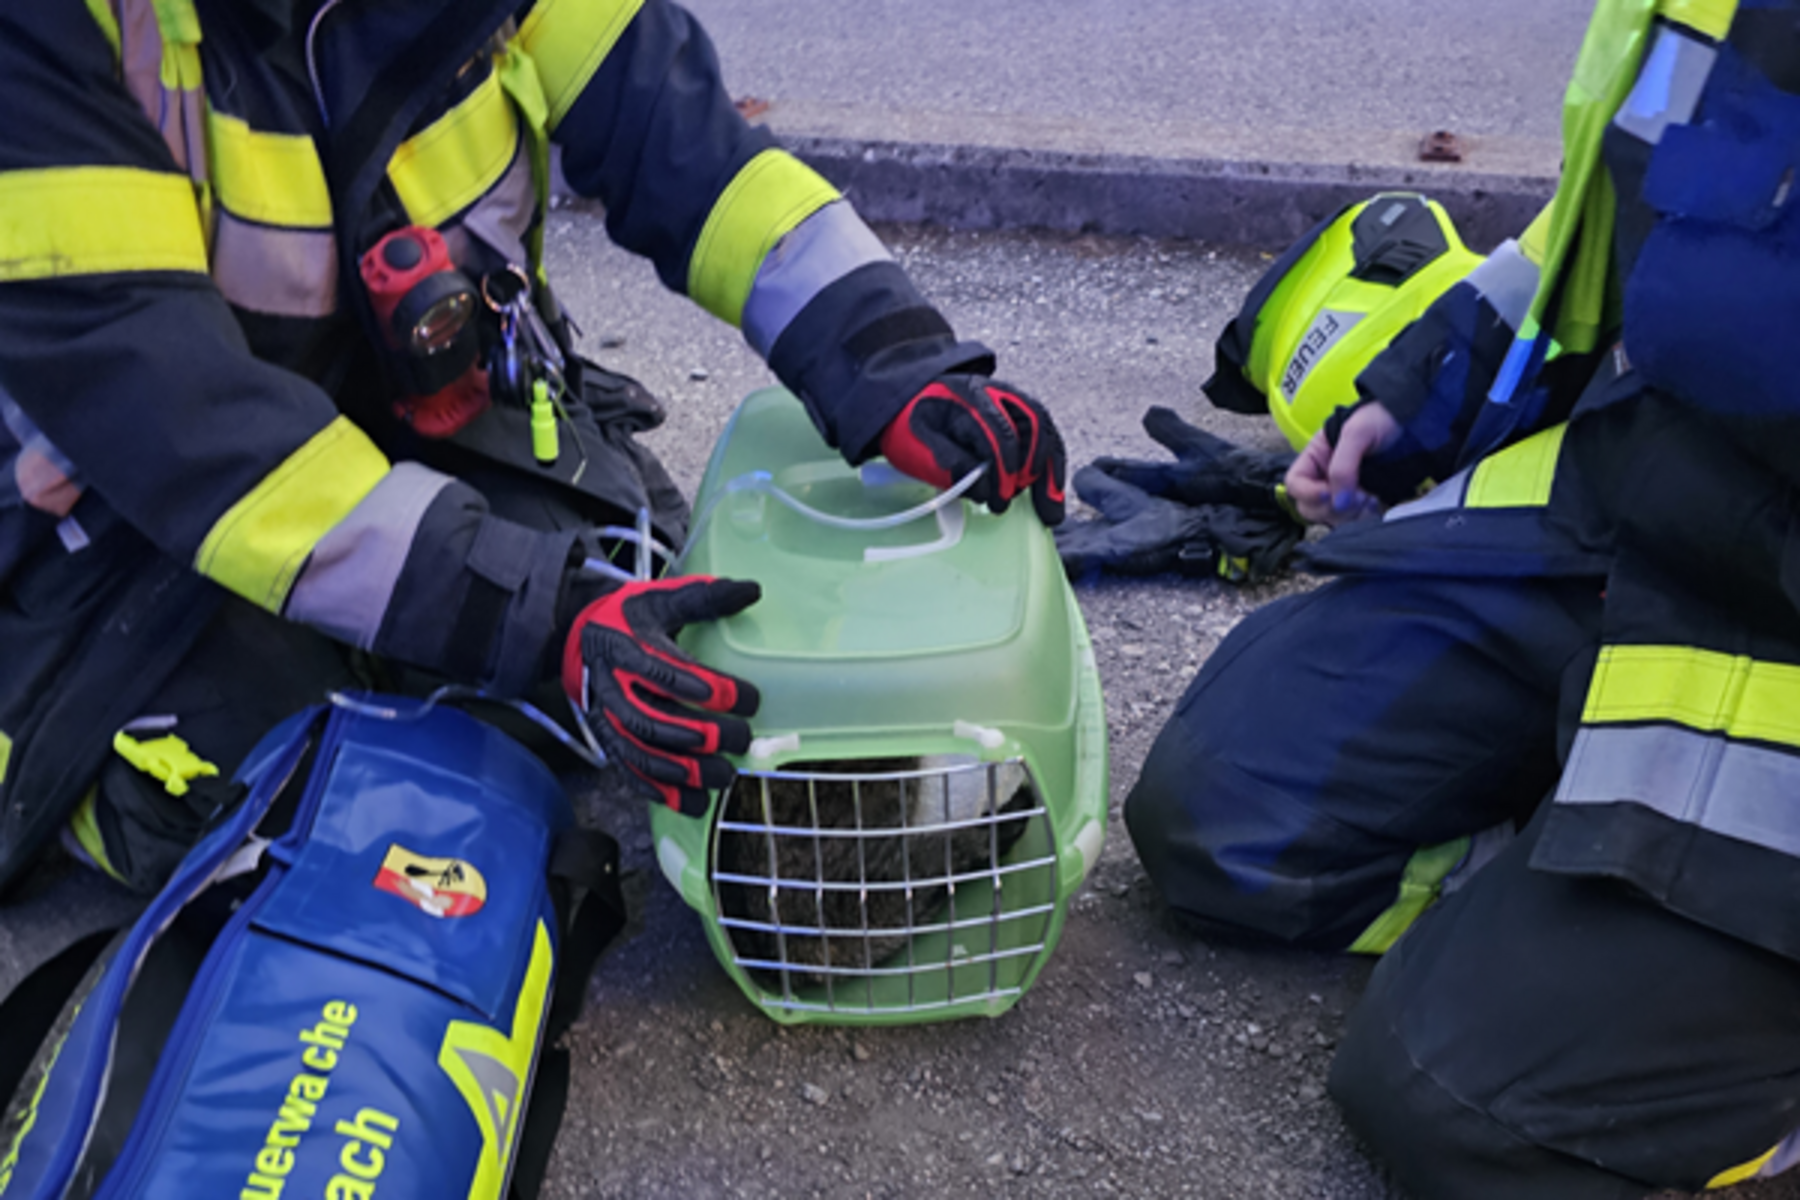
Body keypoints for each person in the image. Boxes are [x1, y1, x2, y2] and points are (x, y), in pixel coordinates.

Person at [0, 0, 1066, 896]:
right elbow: (176, 414)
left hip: (423, 423)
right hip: (126, 537)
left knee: (653, 618)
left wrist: (892, 361)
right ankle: (78, 772)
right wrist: (537, 612)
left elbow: (686, 147)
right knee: (304, 802)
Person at [1125, 1, 1800, 1196]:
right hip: (1659, 491)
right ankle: (1595, 879)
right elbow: (1615, 213)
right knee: (1228, 825)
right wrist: (1425, 398)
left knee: (1460, 1100)